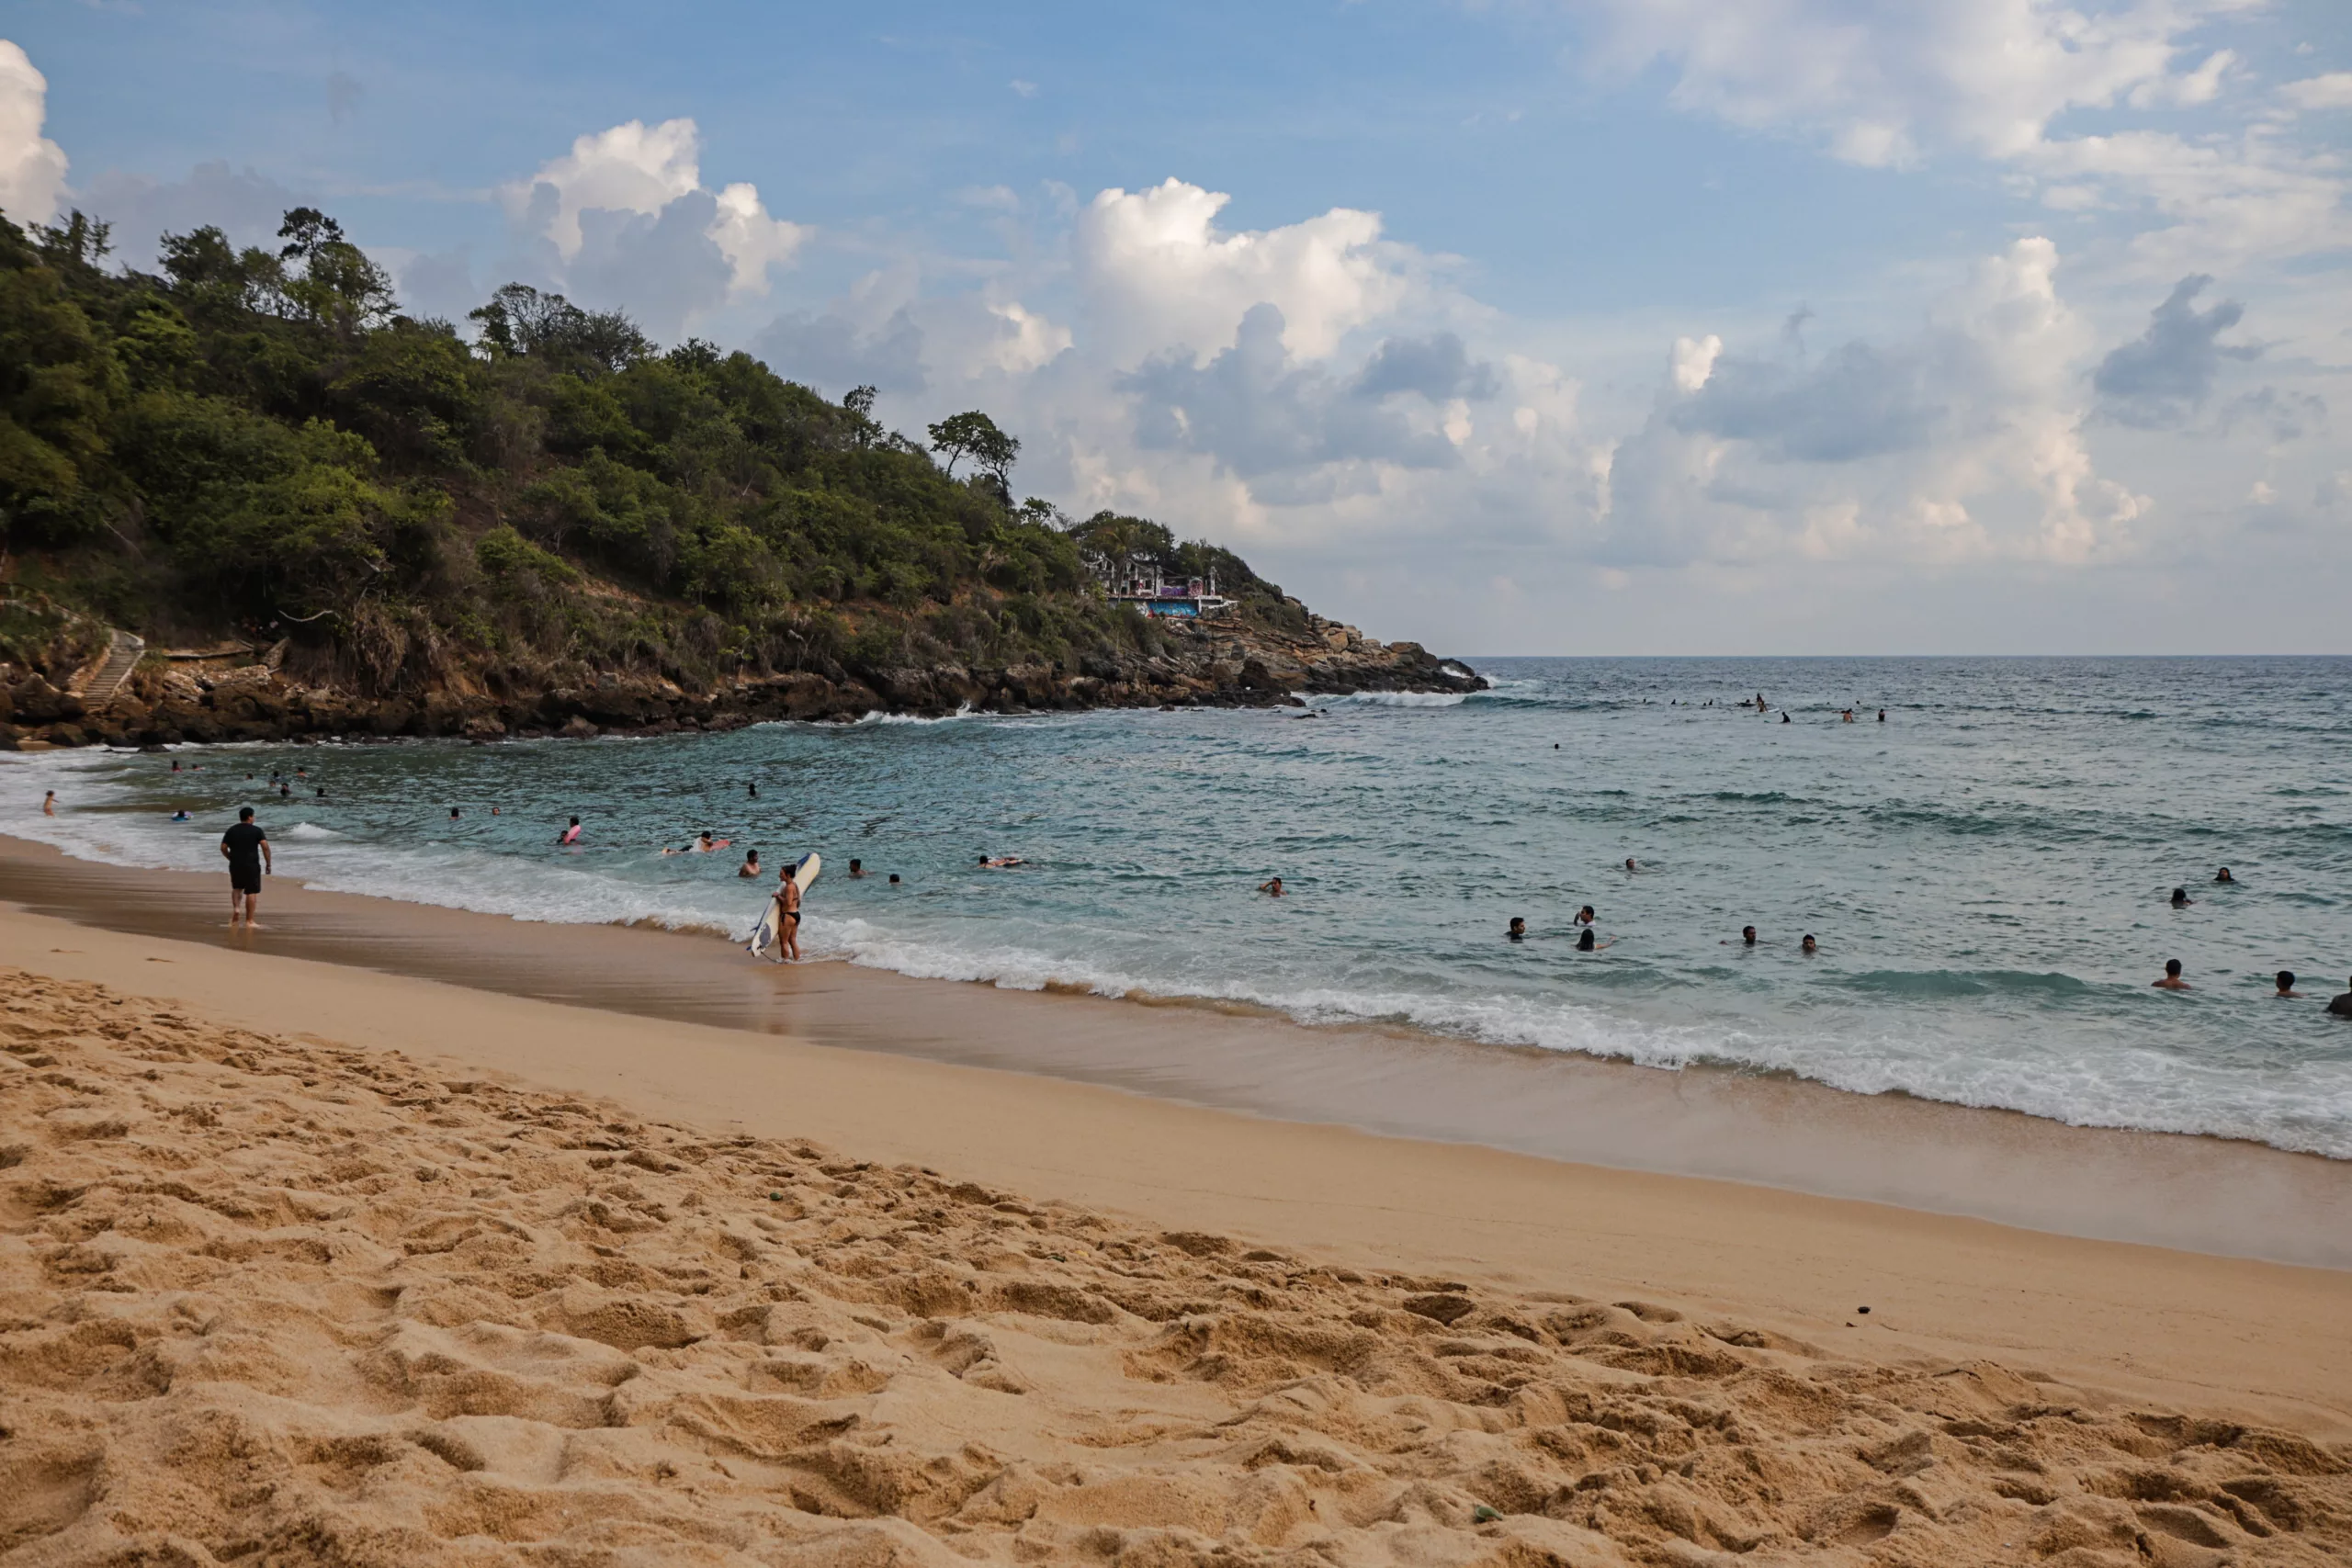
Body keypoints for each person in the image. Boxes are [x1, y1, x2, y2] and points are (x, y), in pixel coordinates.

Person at [220, 807, 270, 930]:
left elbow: (223, 847)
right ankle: (249, 921)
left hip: (235, 864)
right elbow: (265, 847)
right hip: (251, 864)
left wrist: (230, 858)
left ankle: (237, 908)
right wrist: (268, 863)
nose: (254, 818)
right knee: (251, 892)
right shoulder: (257, 830)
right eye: (253, 816)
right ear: (249, 817)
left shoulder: (231, 830)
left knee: (237, 888)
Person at [770, 866, 803, 963]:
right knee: (792, 940)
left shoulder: (789, 887)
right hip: (796, 914)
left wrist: (777, 896)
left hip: (788, 916)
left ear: (788, 875)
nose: (779, 875)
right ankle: (797, 960)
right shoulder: (794, 885)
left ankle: (785, 962)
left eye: (781, 874)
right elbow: (798, 901)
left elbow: (788, 902)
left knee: (783, 941)